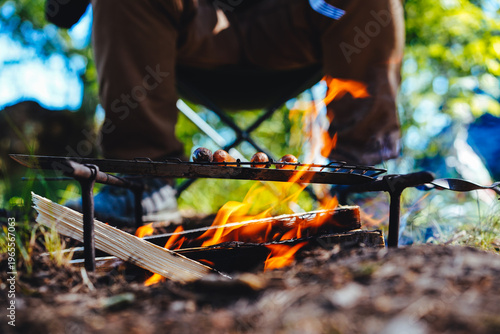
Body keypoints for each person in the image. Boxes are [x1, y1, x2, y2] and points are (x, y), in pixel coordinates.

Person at [47, 0, 404, 225]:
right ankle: (143, 182)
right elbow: (60, 13)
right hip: (189, 32)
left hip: (295, 29)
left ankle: (363, 183)